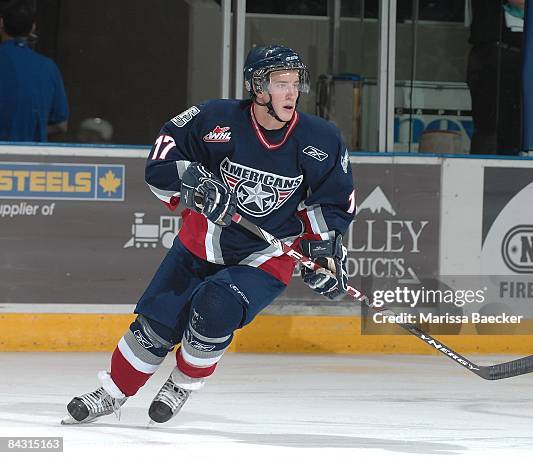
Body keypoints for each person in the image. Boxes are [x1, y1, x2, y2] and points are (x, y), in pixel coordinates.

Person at [62, 45, 355, 425]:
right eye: (281, 83)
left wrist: (324, 253)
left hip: (264, 256)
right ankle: (113, 392)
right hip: (200, 243)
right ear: (257, 87)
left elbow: (334, 203)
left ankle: (183, 382)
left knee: (216, 308)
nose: (291, 93)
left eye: (295, 83)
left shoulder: (322, 139)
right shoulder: (214, 117)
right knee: (156, 326)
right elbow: (161, 160)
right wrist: (193, 184)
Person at [467, 0, 533, 155]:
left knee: (514, 130)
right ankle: (485, 173)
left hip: (520, 57)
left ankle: (508, 172)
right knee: (491, 127)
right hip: (493, 55)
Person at [0, 1, 68, 142]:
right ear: (33, 28)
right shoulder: (48, 67)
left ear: (1, 23)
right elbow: (61, 125)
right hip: (30, 160)